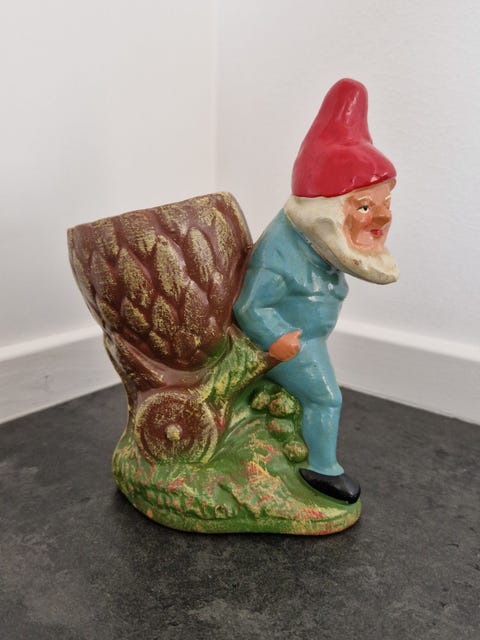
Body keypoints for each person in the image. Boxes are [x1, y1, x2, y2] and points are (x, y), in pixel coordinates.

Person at [234, 78, 399, 504]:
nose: (382, 218)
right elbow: (250, 306)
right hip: (292, 342)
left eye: (385, 203)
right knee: (327, 398)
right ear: (325, 211)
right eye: (365, 206)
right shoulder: (279, 252)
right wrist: (278, 339)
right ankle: (322, 471)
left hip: (309, 338)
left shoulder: (322, 243)